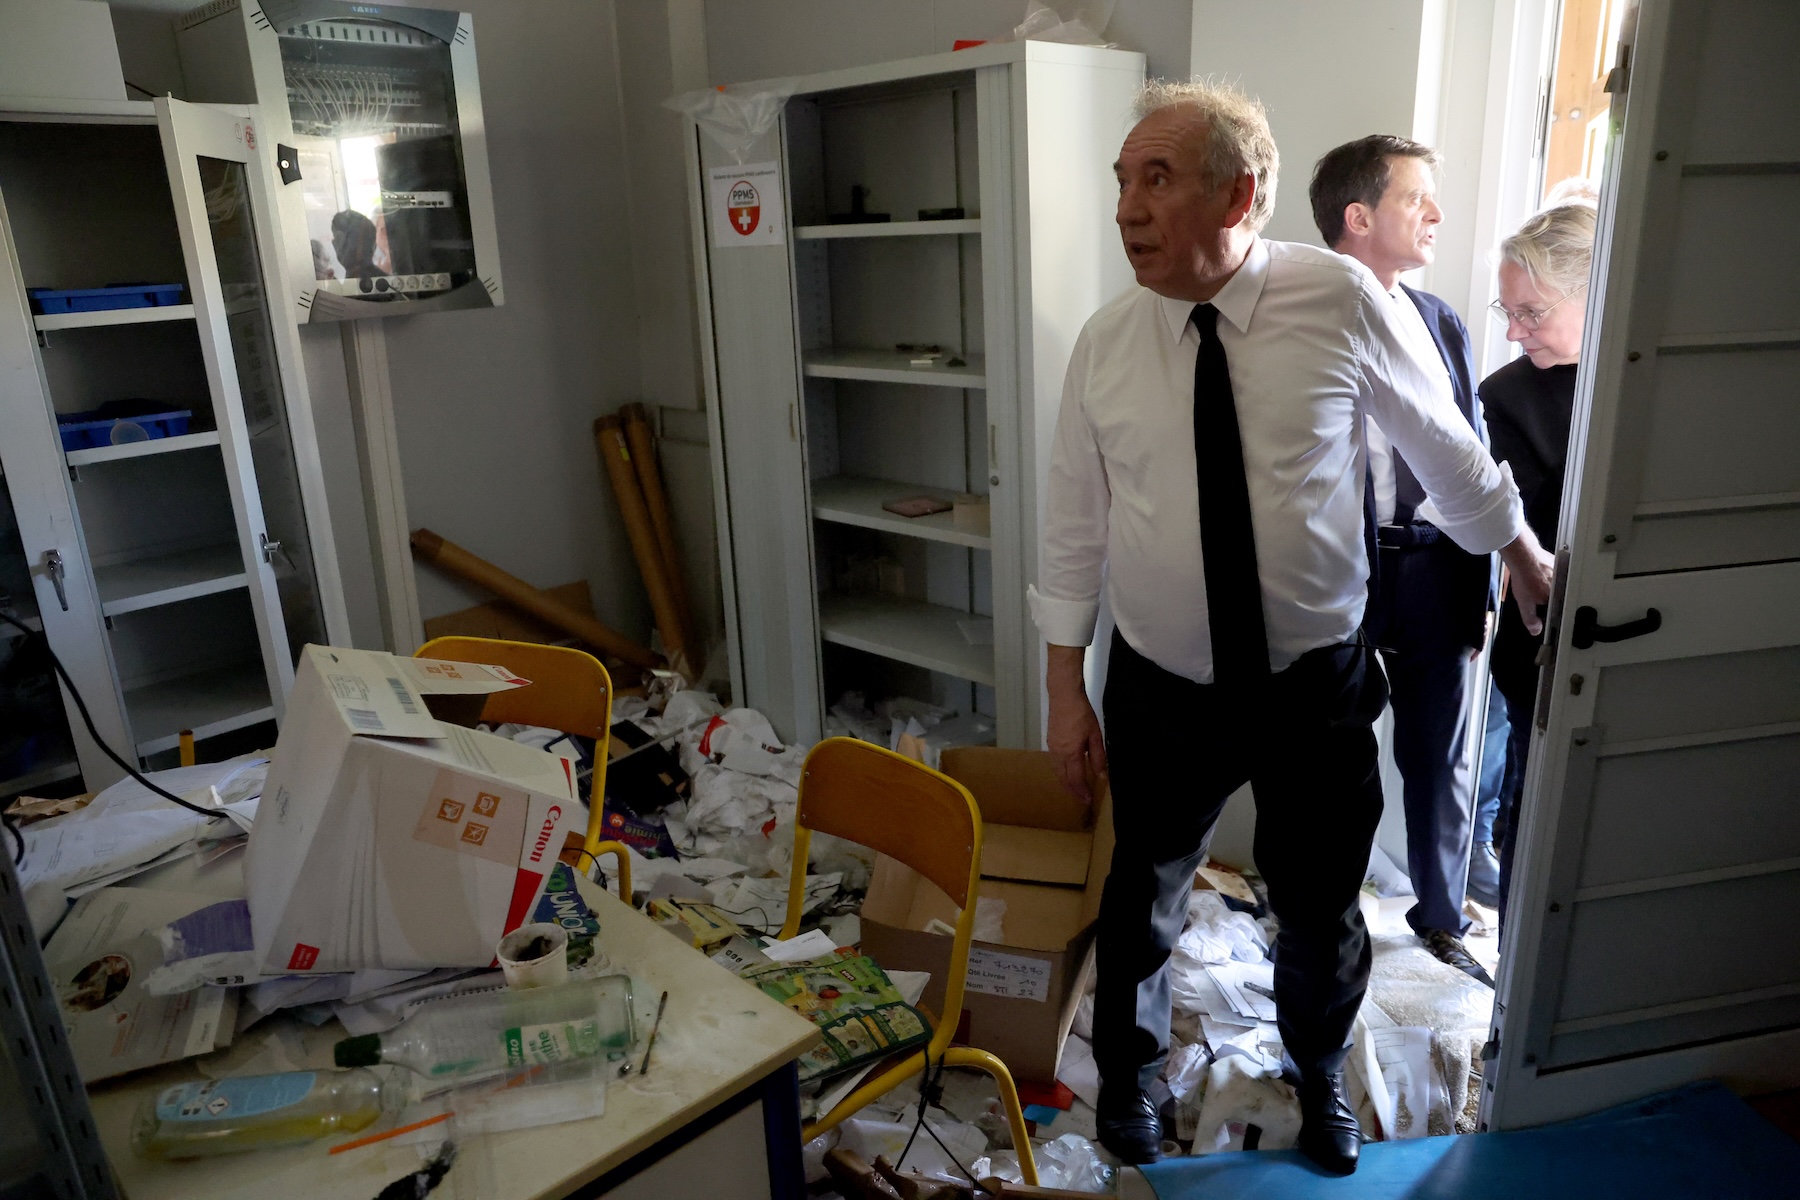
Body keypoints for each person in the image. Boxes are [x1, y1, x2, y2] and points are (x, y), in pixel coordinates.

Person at [1032, 80, 1555, 1174]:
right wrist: (1062, 688)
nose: (1128, 207)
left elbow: (1445, 445)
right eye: (1124, 181)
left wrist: (1523, 554)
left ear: (1244, 193)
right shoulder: (1106, 343)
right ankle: (1127, 1074)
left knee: (1322, 905)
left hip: (1313, 684)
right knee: (1146, 891)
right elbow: (1074, 526)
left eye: (1158, 179)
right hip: (1164, 684)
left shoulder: (1342, 301)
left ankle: (1317, 1066)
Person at [1308, 136, 1496, 986]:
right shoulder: (1295, 318)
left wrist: (1487, 580)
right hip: (1336, 566)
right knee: (1326, 755)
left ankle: (1442, 917)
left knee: (1439, 753)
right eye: (1417, 199)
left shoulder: (1440, 323)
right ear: (1359, 217)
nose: (1435, 215)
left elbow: (1471, 453)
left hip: (1432, 568)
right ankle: (1317, 907)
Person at [1481, 201, 1598, 922]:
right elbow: (1511, 523)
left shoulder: (1644, 386)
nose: (1514, 331)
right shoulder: (1505, 397)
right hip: (1541, 649)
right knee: (1534, 809)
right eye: (1508, 310)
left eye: (1533, 312)